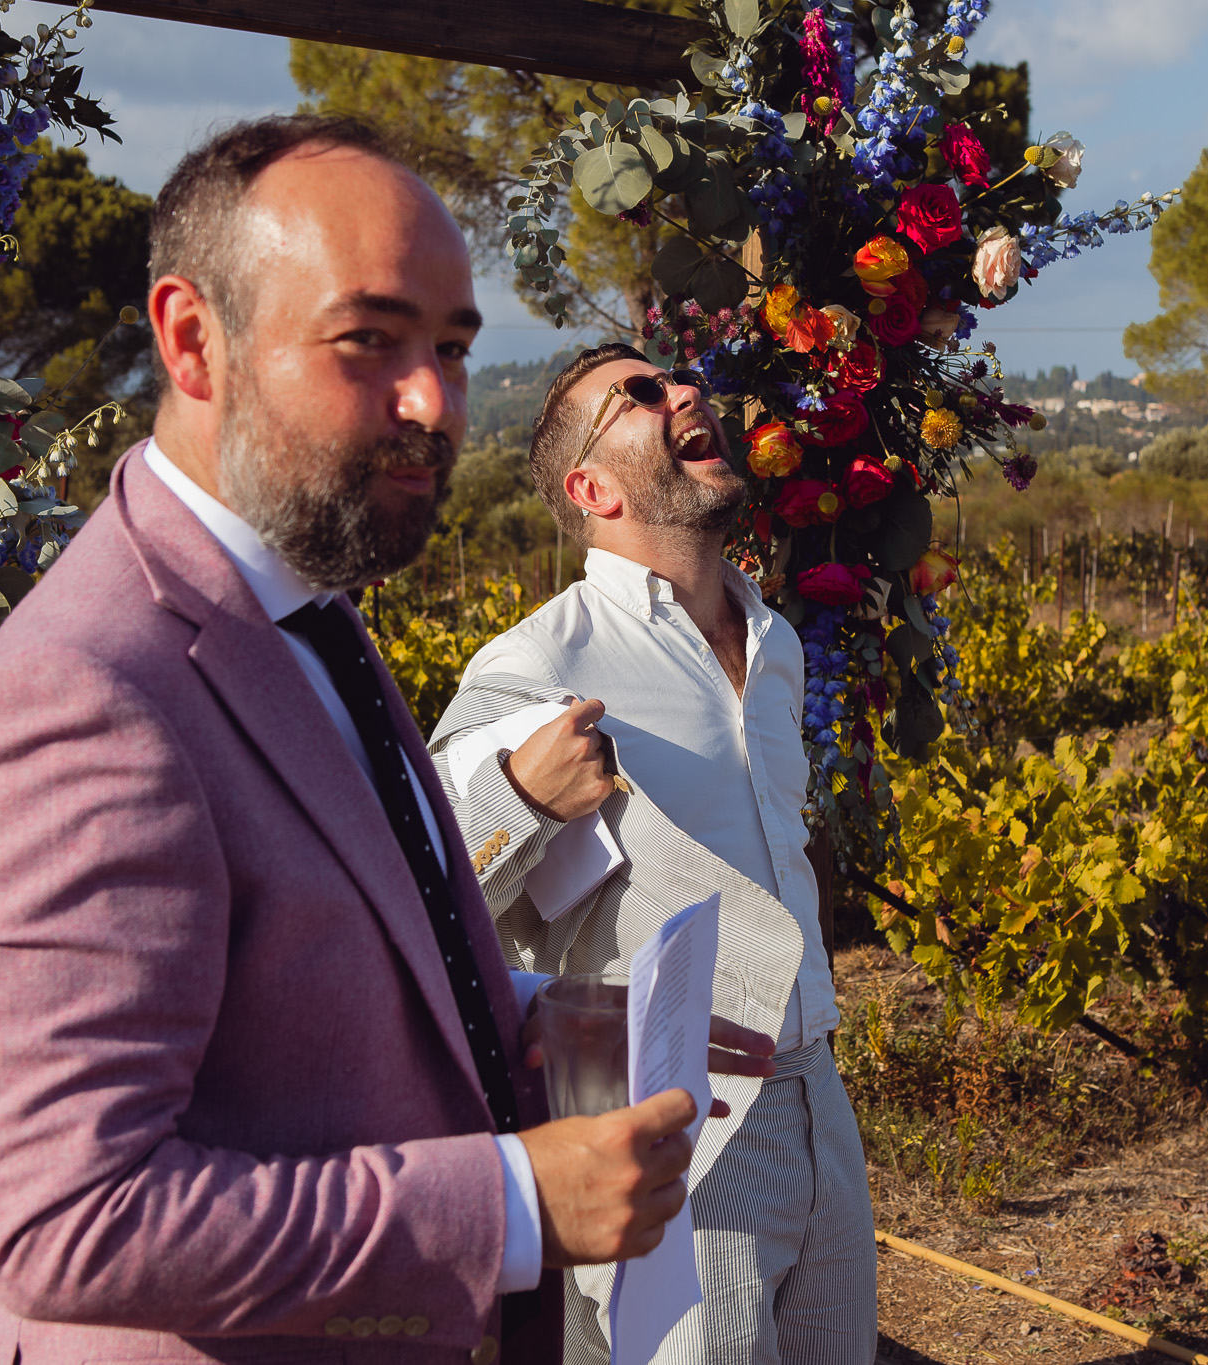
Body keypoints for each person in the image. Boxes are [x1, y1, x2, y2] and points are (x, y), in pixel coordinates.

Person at [0, 117, 770, 1365]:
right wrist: (515, 1201)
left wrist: (559, 1018)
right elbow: (67, 1223)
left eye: (452, 347)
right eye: (369, 339)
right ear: (192, 339)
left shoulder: (305, 612)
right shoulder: (83, 696)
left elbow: (315, 969)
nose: (432, 400)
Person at [430, 343, 877, 1365]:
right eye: (636, 396)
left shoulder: (778, 645)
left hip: (819, 1093)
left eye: (677, 381)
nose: (681, 394)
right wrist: (517, 798)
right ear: (590, 489)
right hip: (677, 1120)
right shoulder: (536, 662)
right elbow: (428, 890)